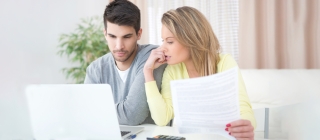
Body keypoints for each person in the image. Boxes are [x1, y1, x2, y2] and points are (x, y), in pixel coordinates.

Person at [143, 6, 256, 139]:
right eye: (163, 41)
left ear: (190, 39)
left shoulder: (225, 63)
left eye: (170, 41)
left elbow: (244, 110)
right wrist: (147, 71)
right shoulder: (173, 70)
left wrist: (244, 127)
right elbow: (162, 118)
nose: (162, 48)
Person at [84, 0, 166, 125]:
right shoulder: (95, 69)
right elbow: (86, 112)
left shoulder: (152, 57)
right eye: (112, 36)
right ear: (105, 34)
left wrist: (98, 111)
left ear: (139, 34)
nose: (119, 46)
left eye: (126, 37)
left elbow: (132, 115)